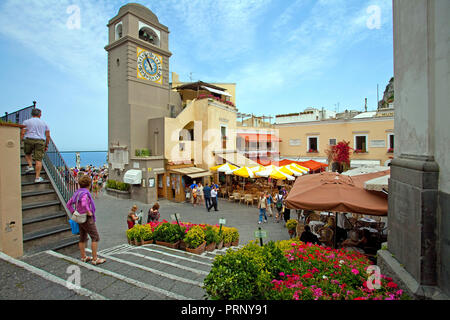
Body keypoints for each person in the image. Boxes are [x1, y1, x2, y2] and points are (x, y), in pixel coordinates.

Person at [66, 175, 106, 265]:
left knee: (82, 237)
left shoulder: (77, 193)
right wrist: (88, 212)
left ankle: (83, 257)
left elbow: (68, 204)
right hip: (86, 218)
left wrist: (74, 212)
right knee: (95, 237)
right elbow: (84, 203)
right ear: (89, 184)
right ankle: (95, 259)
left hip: (79, 217)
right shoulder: (85, 193)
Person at [20, 108, 50, 183]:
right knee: (38, 160)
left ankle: (30, 166)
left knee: (27, 153)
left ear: (32, 114)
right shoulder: (44, 123)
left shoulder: (26, 122)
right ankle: (37, 177)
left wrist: (20, 141)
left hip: (29, 139)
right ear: (40, 114)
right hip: (40, 141)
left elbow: (22, 132)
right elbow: (48, 136)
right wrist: (46, 145)